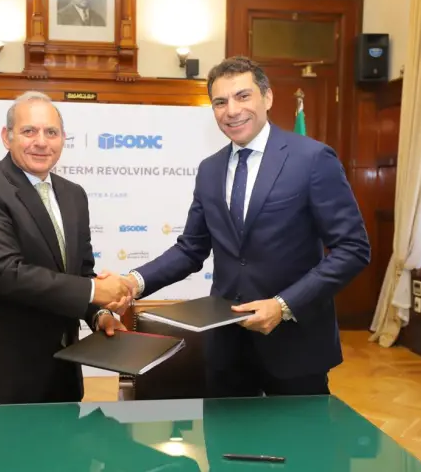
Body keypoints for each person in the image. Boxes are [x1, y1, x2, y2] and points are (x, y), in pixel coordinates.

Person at [118, 56, 371, 398]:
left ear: (267, 97)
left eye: (242, 96)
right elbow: (191, 249)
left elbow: (353, 249)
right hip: (226, 350)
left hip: (295, 347)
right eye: (220, 102)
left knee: (301, 436)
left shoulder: (312, 159)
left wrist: (283, 305)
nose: (232, 110)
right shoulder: (210, 169)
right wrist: (132, 282)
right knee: (225, 435)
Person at [0, 91, 130, 406]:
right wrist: (95, 291)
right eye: (29, 131)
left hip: (60, 374)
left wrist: (99, 315)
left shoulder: (74, 195)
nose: (41, 142)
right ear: (7, 137)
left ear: (63, 139)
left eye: (51, 132)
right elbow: (5, 274)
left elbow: (80, 271)